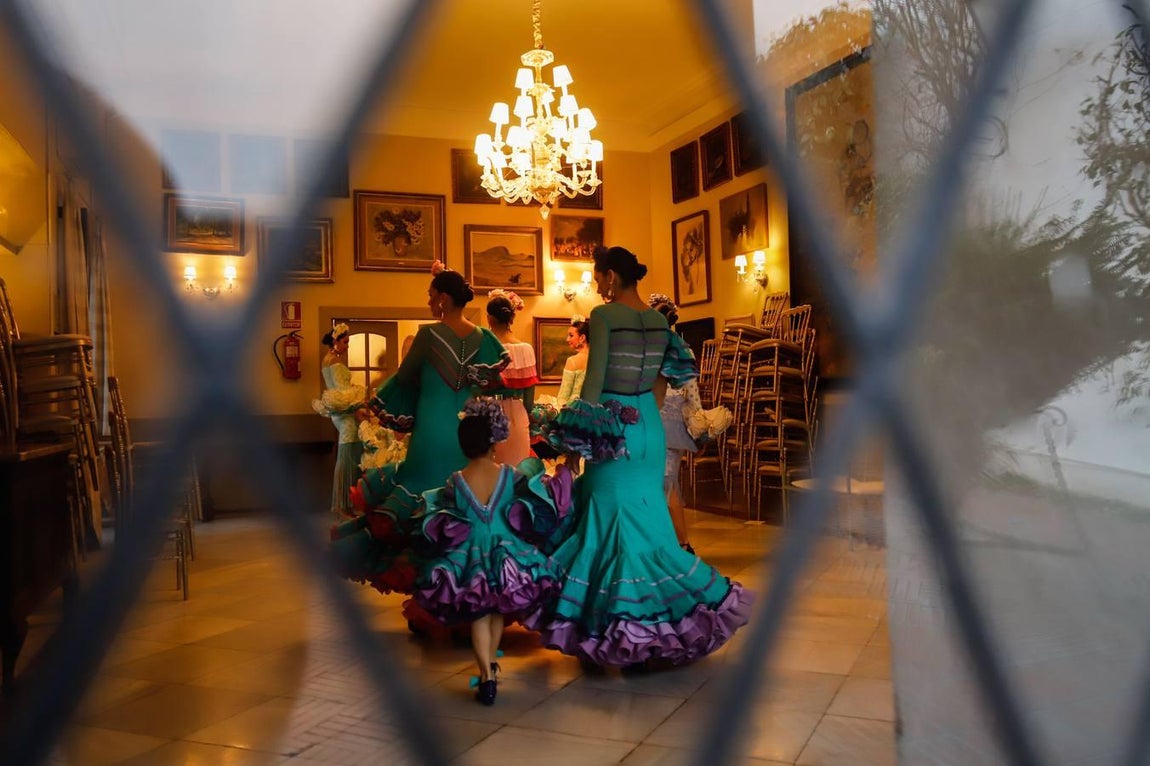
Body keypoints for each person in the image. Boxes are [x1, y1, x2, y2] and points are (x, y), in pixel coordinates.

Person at [526, 246, 753, 669]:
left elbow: (593, 385)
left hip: (611, 425)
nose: (596, 285)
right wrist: (640, 418)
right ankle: (655, 629)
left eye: (598, 277)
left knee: (607, 521)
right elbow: (663, 387)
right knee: (647, 525)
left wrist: (576, 439)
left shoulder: (604, 316)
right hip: (647, 428)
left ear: (611, 277)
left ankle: (618, 631)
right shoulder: (657, 322)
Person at [330, 261, 510, 599]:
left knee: (420, 502)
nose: (428, 301)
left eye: (431, 295)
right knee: (463, 504)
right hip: (465, 430)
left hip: (430, 429)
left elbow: (404, 377)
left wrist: (381, 406)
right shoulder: (483, 338)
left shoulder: (428, 335)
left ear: (443, 298)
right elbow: (491, 384)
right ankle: (465, 588)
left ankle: (431, 590)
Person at [413, 398, 566, 706]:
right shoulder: (510, 476)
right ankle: (489, 671)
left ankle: (487, 674)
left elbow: (446, 515)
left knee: (480, 615)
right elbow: (530, 505)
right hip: (507, 552)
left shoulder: (455, 481)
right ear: (492, 443)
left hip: (469, 555)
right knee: (495, 611)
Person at [649, 294, 732, 555]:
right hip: (674, 419)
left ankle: (680, 544)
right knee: (667, 480)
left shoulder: (650, 349)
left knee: (664, 481)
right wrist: (698, 426)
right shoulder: (683, 348)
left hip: (657, 418)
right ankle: (675, 543)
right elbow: (692, 391)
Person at [312, 322, 365, 518]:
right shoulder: (334, 362)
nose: (348, 345)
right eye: (345, 341)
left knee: (349, 457)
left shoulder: (328, 360)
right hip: (345, 415)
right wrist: (359, 404)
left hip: (341, 413)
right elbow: (344, 393)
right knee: (347, 458)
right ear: (335, 341)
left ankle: (346, 504)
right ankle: (343, 505)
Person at [485, 290, 537, 466]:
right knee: (516, 470)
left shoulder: (483, 348)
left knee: (489, 471)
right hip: (516, 412)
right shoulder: (526, 349)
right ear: (512, 318)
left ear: (489, 318)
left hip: (487, 410)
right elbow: (529, 401)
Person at [555, 315, 589, 408]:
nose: (567, 339)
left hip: (573, 410)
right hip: (591, 410)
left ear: (582, 338)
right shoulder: (597, 359)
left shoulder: (572, 361)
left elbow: (563, 396)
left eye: (571, 335)